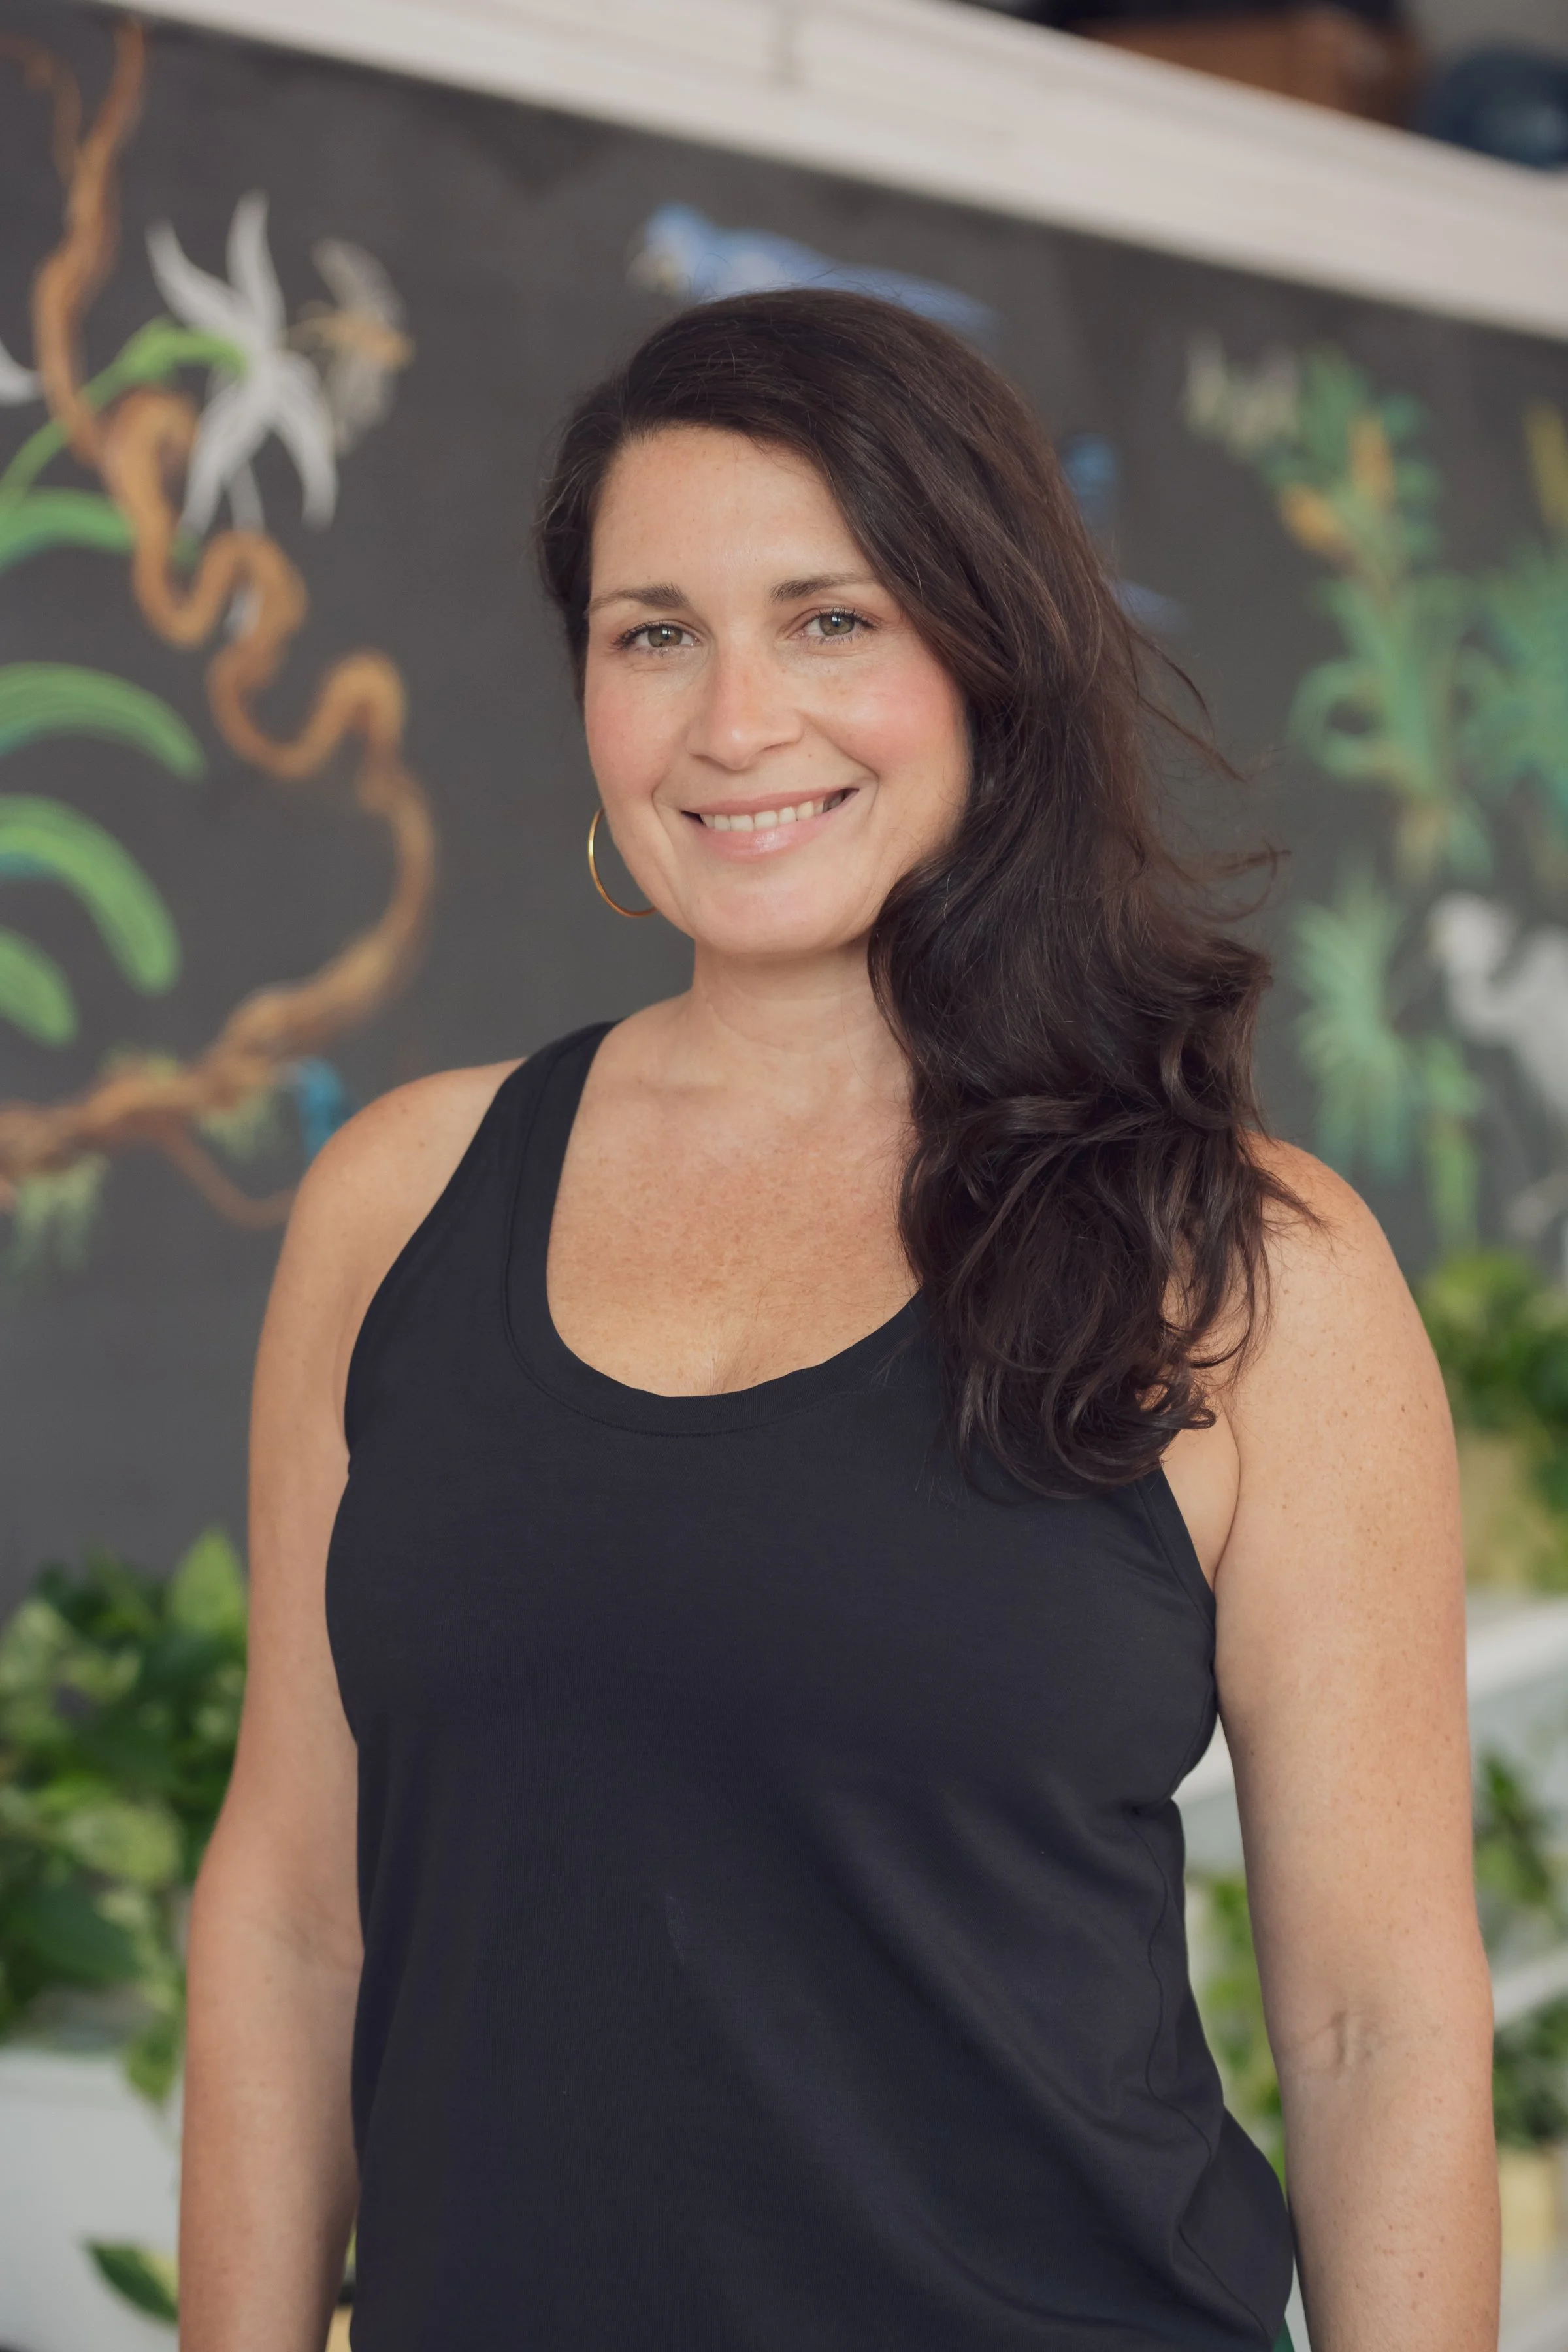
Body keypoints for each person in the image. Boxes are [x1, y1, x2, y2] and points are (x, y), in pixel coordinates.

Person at [178, 289, 1497, 2352]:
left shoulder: (1243, 1265)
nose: (731, 723)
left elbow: (1373, 2024)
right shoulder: (397, 1205)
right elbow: (291, 1921)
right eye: (653, 634)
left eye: (830, 618)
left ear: (988, 654)